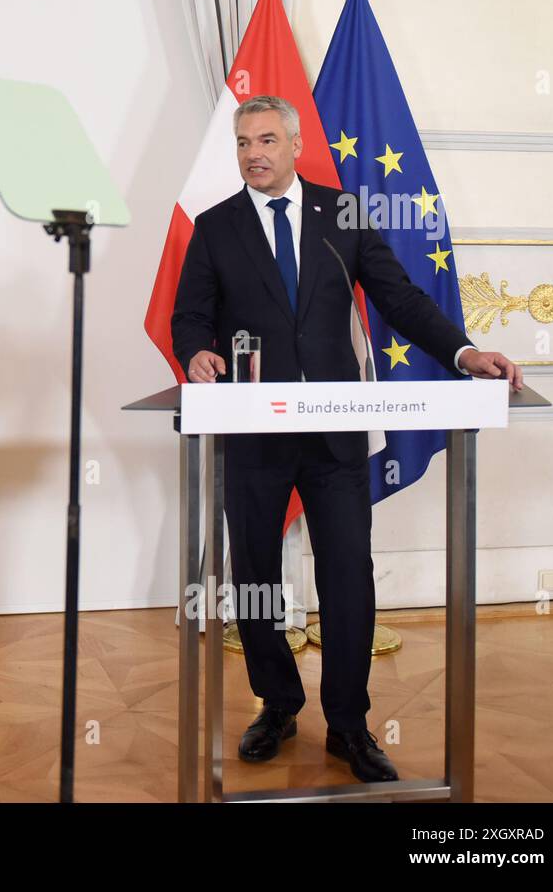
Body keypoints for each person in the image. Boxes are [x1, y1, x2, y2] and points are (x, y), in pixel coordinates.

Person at [171, 95, 521, 782]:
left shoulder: (343, 216)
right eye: (242, 143)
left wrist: (464, 354)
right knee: (257, 582)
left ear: (294, 143)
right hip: (256, 435)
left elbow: (401, 298)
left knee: (347, 577)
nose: (253, 154)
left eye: (266, 139)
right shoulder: (215, 228)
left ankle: (350, 723)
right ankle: (276, 704)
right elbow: (191, 317)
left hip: (334, 435)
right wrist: (196, 355)